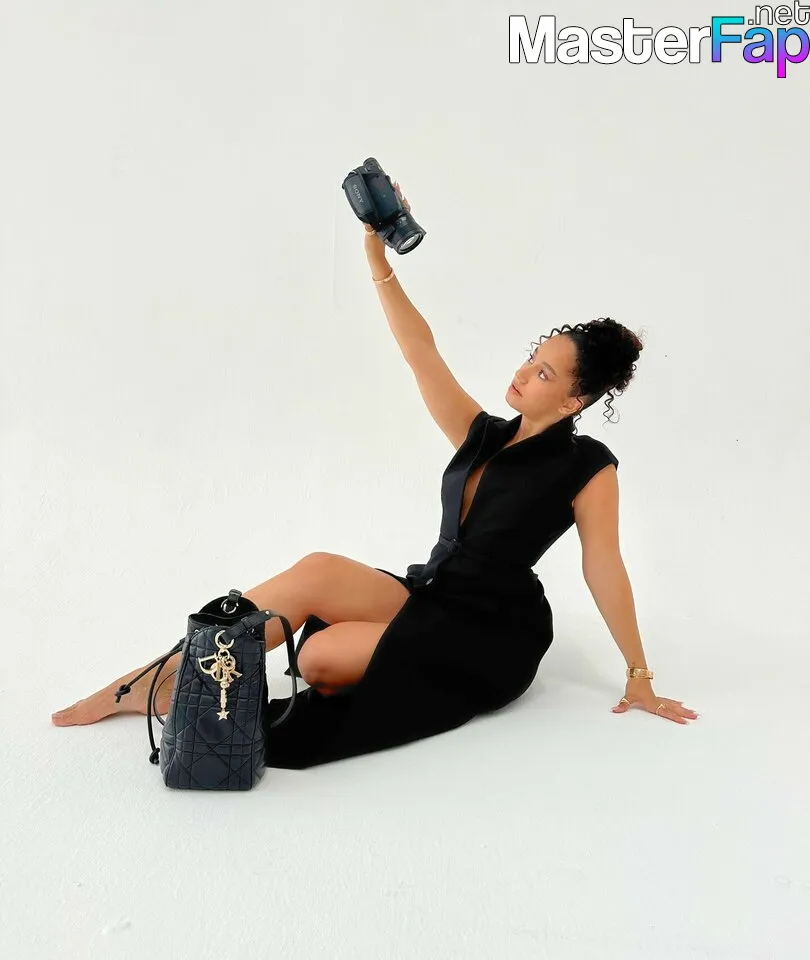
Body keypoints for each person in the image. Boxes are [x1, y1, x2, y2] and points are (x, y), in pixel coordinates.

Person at [51, 182, 698, 762]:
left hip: (492, 634)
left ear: (575, 400)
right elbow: (421, 352)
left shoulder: (588, 466)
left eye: (545, 373)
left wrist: (638, 674)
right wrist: (376, 255)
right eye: (531, 358)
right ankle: (151, 682)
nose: (523, 373)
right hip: (436, 594)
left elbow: (603, 565)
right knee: (317, 569)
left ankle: (181, 687)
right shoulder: (483, 435)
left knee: (318, 657)